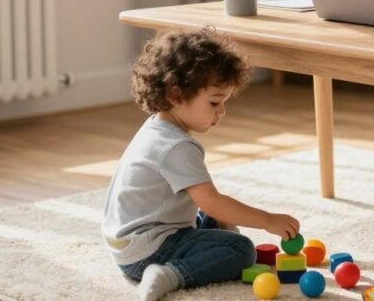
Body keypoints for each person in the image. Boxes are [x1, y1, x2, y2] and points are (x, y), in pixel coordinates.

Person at [103, 27, 301, 301]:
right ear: (176, 95)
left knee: (210, 218)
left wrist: (221, 218)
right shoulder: (177, 147)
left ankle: (179, 257)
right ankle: (169, 273)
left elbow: (200, 204)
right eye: (214, 102)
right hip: (148, 251)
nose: (221, 111)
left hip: (129, 241)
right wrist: (268, 220)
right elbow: (212, 202)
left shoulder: (156, 128)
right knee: (241, 250)